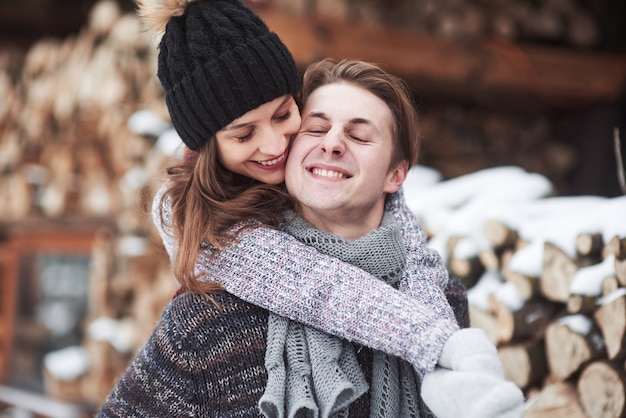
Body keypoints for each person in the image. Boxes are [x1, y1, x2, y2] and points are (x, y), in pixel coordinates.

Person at [97, 0, 523, 416]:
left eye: (285, 116)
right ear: (210, 150)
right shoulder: (209, 318)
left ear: (398, 175)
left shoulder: (439, 300)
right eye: (317, 127)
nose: (276, 144)